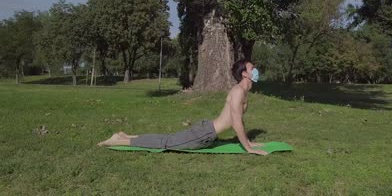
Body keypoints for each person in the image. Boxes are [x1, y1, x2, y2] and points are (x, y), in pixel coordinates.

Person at [97, 59, 268, 155]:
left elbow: (239, 121)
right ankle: (120, 140)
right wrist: (248, 148)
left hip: (207, 130)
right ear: (245, 74)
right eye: (252, 67)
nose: (255, 70)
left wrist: (248, 141)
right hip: (205, 134)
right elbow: (237, 122)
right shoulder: (238, 92)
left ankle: (125, 135)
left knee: (168, 138)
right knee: (166, 142)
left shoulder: (242, 91)